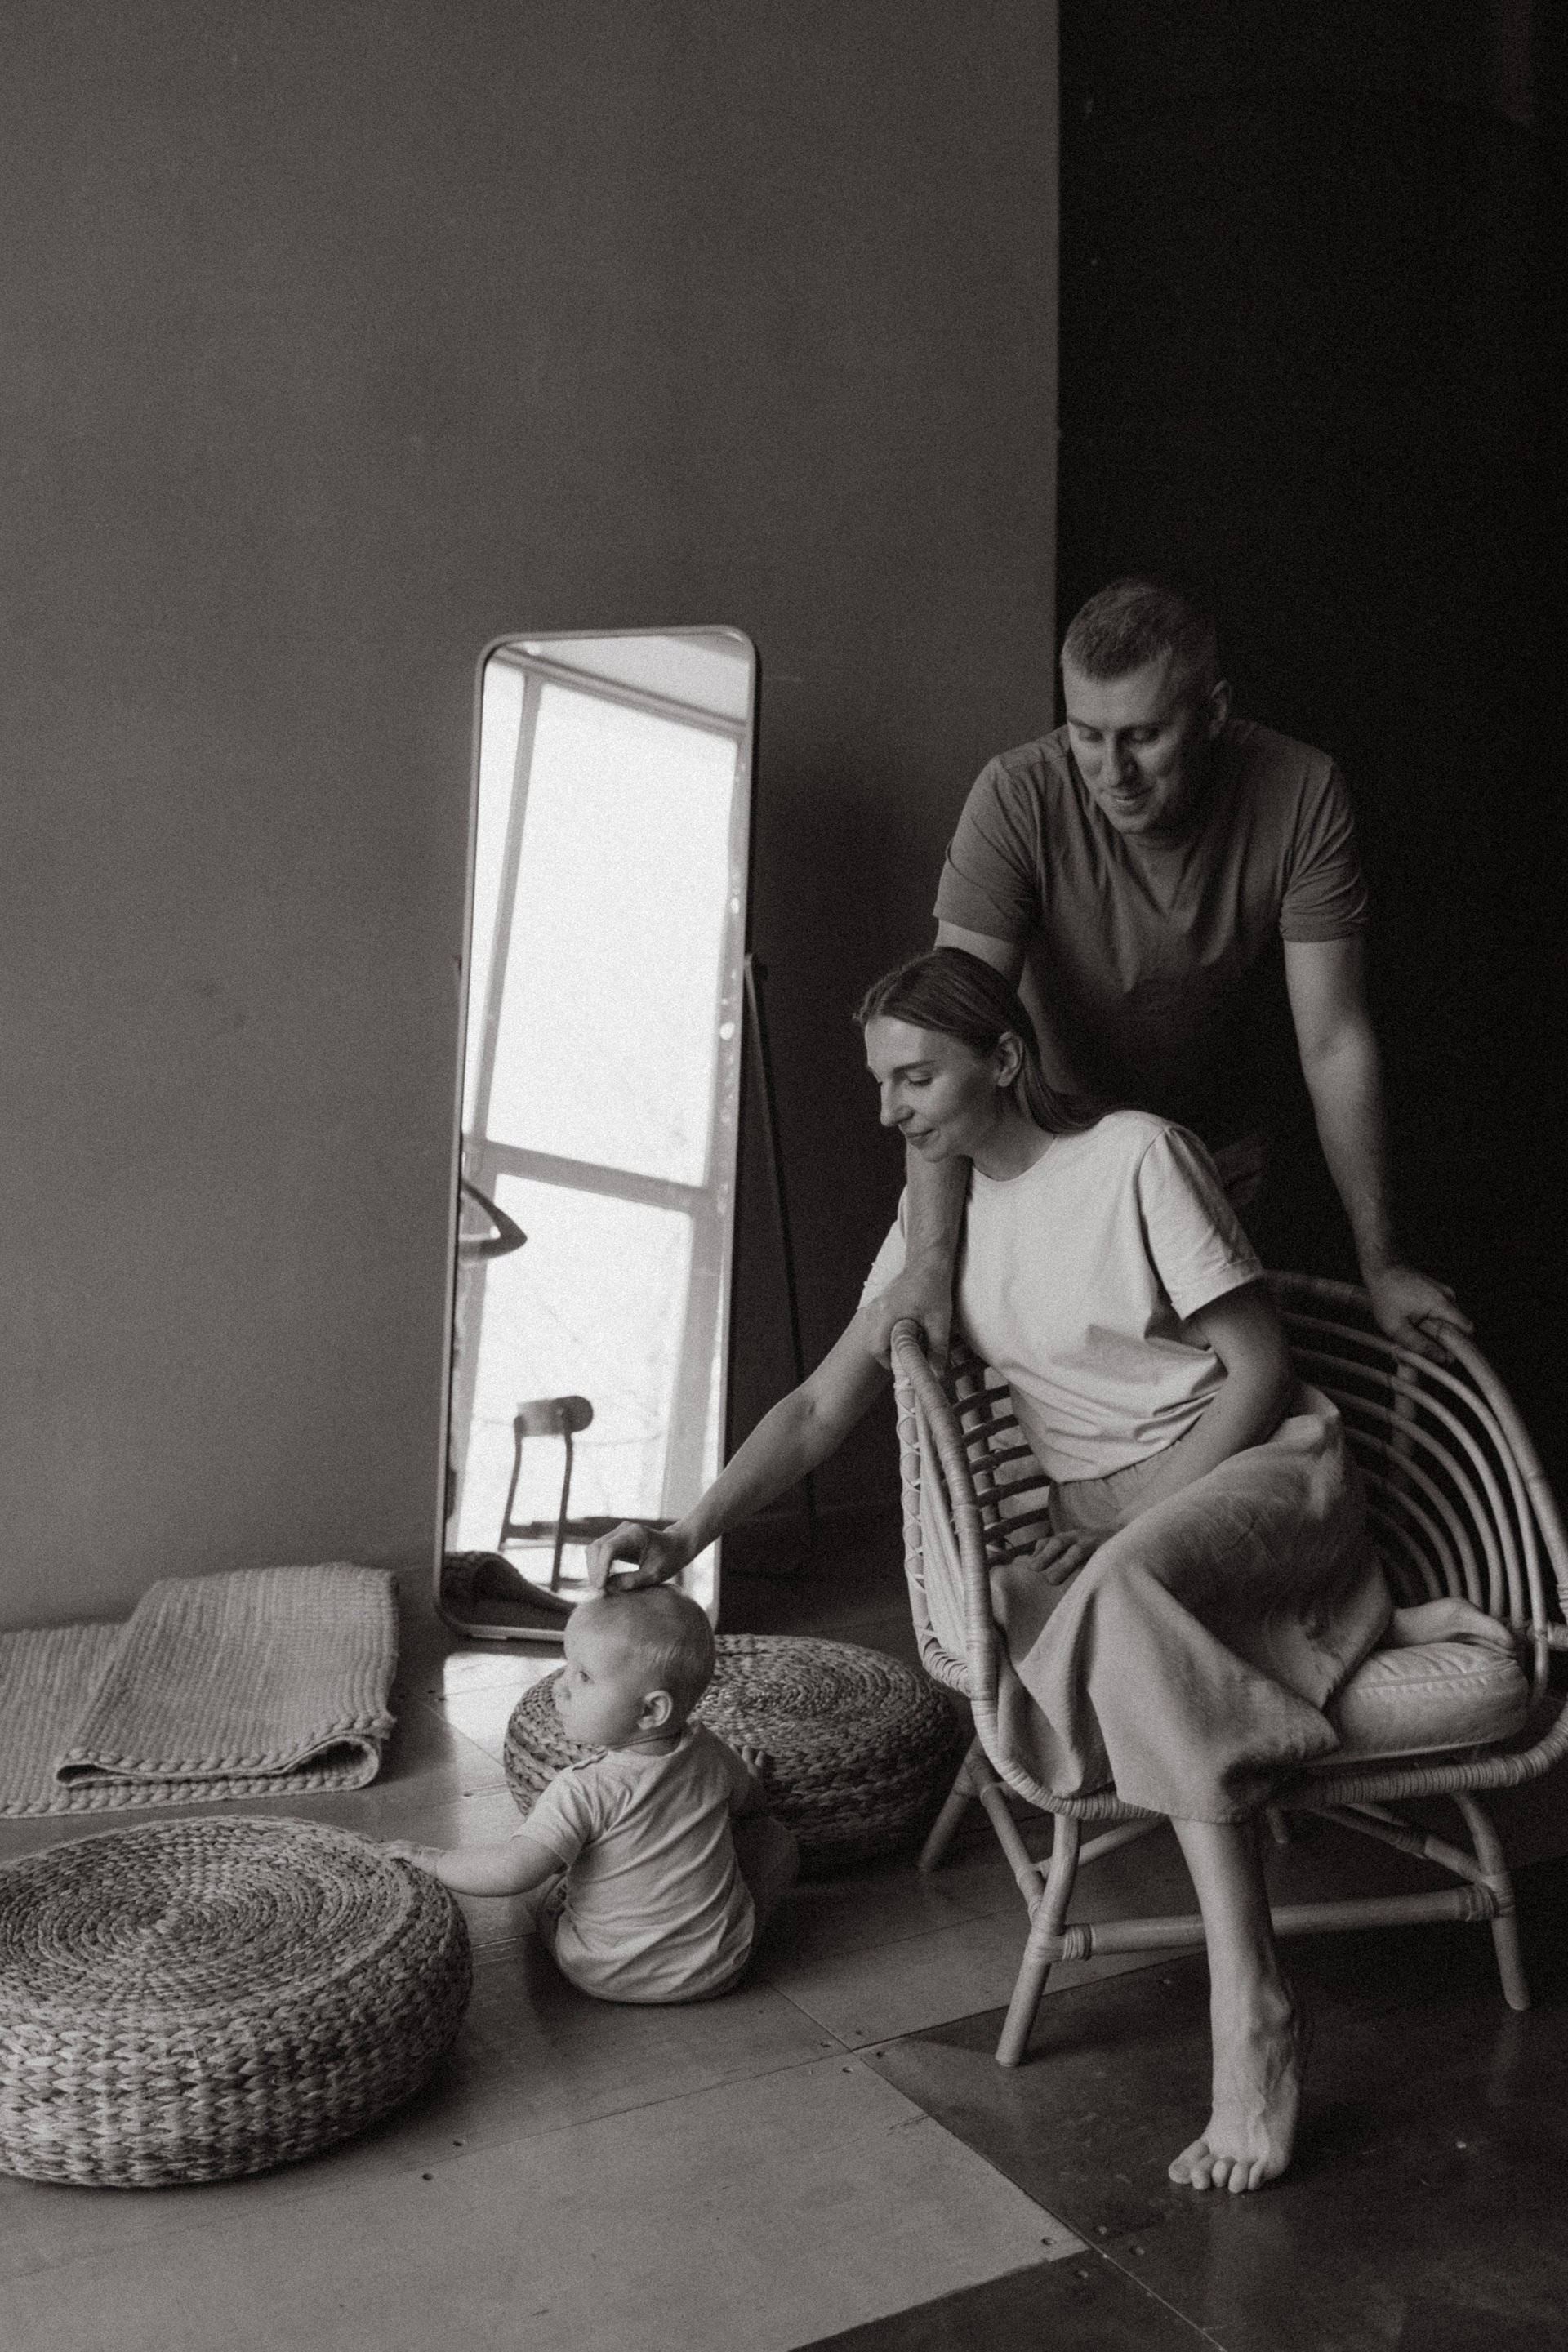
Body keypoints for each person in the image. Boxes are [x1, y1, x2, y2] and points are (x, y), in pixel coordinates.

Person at [587, 950, 1508, 2191]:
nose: (890, 1111)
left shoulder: (1136, 1155)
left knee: (1115, 1599)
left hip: (1258, 1470)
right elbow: (817, 1409)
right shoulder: (933, 1232)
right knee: (1072, 1603)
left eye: (917, 1077)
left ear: (1006, 1059)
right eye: (881, 1083)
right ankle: (1340, 1626)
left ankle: (1253, 2007)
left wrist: (1134, 1522)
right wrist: (685, 1533)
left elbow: (1259, 1370)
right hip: (1120, 1535)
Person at [862, 577, 1468, 1370]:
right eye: (1087, 735)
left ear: (1213, 713)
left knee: (1216, 1396)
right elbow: (949, 1039)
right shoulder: (1017, 795)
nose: (1112, 771)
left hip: (1213, 1161)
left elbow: (1334, 1042)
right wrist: (928, 1266)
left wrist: (1381, 1265)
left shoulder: (1301, 790)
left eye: (1143, 736)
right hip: (1052, 1158)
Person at [385, 1585, 798, 2005]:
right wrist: (748, 1777)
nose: (559, 1687)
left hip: (603, 1971)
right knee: (776, 1840)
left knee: (542, 1884)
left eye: (583, 1676)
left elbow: (512, 1872)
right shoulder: (712, 1754)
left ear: (651, 1711)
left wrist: (434, 1860)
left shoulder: (582, 1788)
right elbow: (753, 1805)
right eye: (567, 1667)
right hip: (718, 1968)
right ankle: (723, 1934)